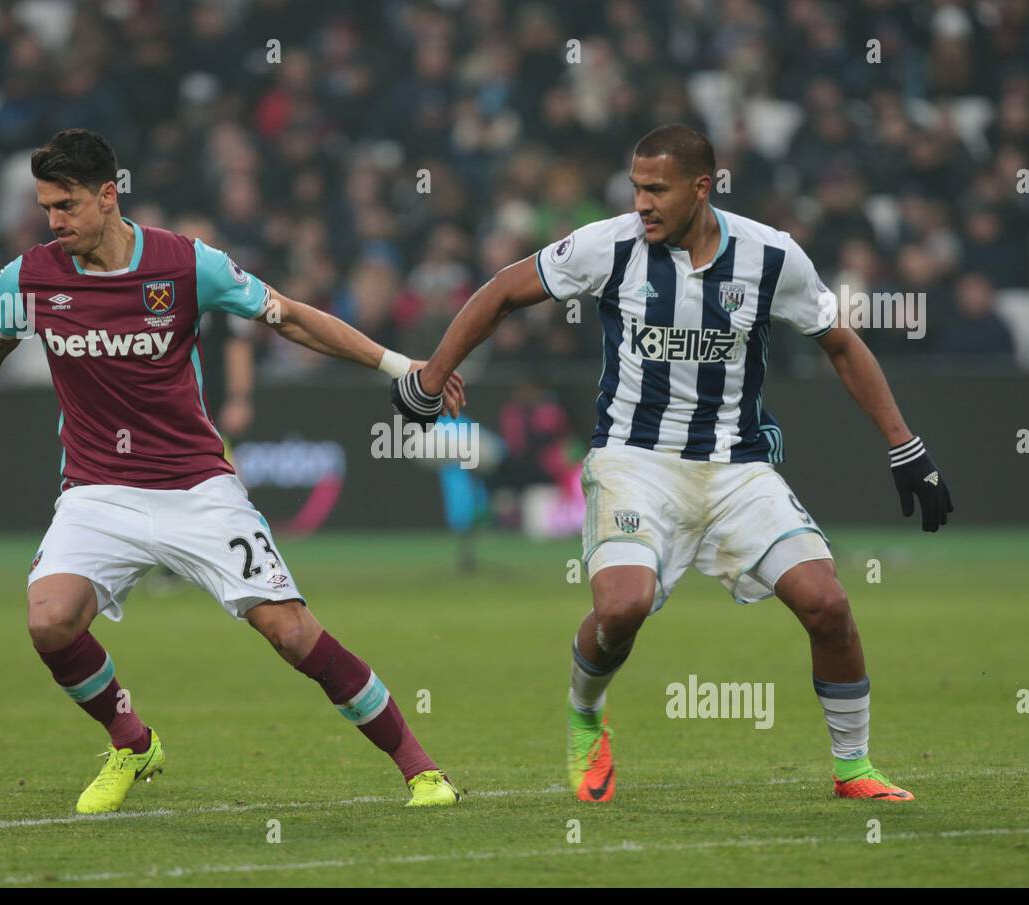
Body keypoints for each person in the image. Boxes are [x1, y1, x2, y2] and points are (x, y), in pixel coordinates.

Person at [0, 128, 466, 812]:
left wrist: (399, 364)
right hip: (96, 491)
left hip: (197, 486)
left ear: (109, 197)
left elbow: (288, 317)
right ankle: (132, 742)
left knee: (291, 631)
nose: (53, 221)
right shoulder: (29, 277)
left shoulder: (185, 264)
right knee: (49, 621)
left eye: (66, 205)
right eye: (46, 207)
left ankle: (420, 769)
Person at [393, 124, 952, 804]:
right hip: (634, 461)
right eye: (635, 188)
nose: (642, 203)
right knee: (621, 608)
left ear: (701, 186)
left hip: (736, 468)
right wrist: (432, 376)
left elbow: (840, 342)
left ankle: (853, 766)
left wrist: (906, 445)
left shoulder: (772, 257)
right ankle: (585, 713)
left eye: (655, 189)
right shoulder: (610, 245)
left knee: (828, 603)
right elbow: (505, 290)